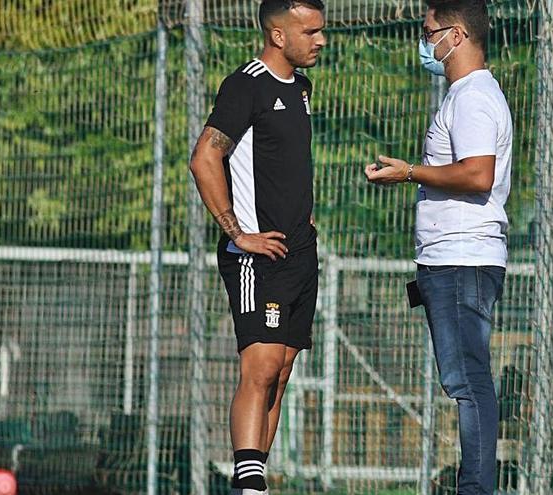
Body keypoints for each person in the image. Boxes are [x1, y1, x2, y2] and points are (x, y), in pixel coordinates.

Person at [365, 0, 512, 492]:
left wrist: (409, 172)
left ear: (456, 34)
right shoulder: (461, 96)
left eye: (428, 32)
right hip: (449, 263)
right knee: (463, 382)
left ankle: (476, 488)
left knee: (468, 383)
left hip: (462, 261)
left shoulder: (472, 96)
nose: (424, 41)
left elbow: (477, 173)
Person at [189, 1, 325, 493]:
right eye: (309, 31)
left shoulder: (303, 89)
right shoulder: (244, 84)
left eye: (320, 30)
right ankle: (247, 485)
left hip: (300, 254)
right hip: (256, 257)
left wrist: (306, 218)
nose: (320, 40)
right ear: (277, 35)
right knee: (261, 364)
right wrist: (236, 232)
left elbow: (282, 165)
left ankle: (256, 478)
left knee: (283, 369)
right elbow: (205, 157)